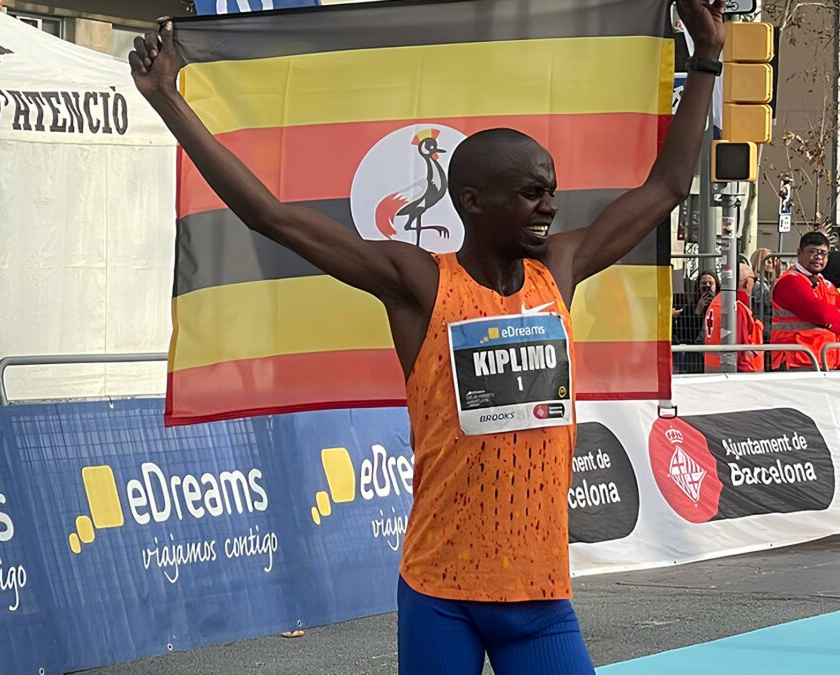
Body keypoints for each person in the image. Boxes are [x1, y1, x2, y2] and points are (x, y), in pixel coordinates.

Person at [127, 5, 726, 673]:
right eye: (532, 194)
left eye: (551, 191)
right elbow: (270, 215)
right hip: (441, 593)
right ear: (473, 201)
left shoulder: (559, 269)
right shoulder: (416, 282)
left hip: (538, 596)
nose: (551, 206)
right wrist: (168, 100)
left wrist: (706, 57)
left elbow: (667, 186)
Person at [771, 232, 840, 370]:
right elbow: (821, 314)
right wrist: (834, 317)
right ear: (799, 253)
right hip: (796, 361)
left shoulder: (825, 283)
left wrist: (828, 321)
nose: (818, 258)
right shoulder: (789, 281)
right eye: (812, 252)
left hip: (824, 361)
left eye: (823, 253)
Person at [703, 263, 764, 372]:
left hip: (713, 369)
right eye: (753, 280)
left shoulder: (717, 301)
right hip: (736, 374)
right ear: (746, 283)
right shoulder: (736, 307)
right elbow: (741, 351)